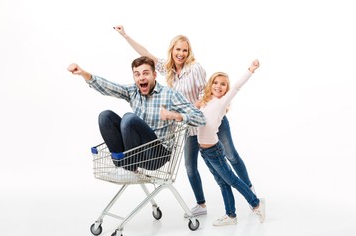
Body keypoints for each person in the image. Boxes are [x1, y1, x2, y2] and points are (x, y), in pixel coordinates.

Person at [114, 25, 256, 216]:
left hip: (210, 121)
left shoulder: (195, 69)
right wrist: (125, 35)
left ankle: (249, 190)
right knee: (190, 166)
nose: (181, 53)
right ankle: (201, 205)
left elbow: (204, 93)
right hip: (188, 126)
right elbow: (145, 53)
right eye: (178, 49)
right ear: (172, 50)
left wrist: (186, 112)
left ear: (189, 53)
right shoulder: (168, 69)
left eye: (184, 50)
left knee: (230, 156)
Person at [67, 56, 206, 175]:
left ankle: (128, 168)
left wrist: (175, 115)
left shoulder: (169, 95)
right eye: (137, 74)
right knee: (105, 116)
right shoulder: (133, 91)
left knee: (129, 119)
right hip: (136, 153)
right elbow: (109, 87)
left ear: (154, 75)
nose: (141, 77)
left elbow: (200, 118)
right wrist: (83, 73)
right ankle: (124, 165)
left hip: (156, 156)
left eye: (146, 73)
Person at [194, 59, 265, 225]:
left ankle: (256, 203)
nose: (219, 86)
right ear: (210, 85)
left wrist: (250, 70)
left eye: (223, 84)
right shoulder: (206, 102)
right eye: (216, 83)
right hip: (203, 151)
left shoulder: (222, 101)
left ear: (227, 89)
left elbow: (237, 86)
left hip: (214, 150)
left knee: (231, 180)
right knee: (222, 183)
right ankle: (231, 215)